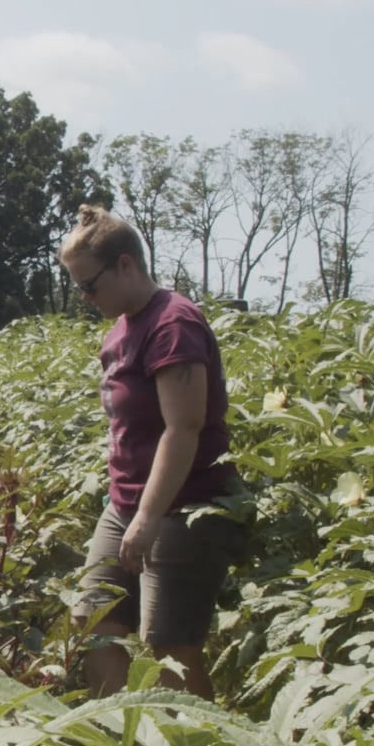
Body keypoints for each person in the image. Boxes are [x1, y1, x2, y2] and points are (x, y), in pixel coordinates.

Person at [58, 205, 247, 699]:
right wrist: (127, 504)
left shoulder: (172, 322)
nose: (85, 298)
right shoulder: (120, 330)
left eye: (89, 285)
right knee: (93, 622)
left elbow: (184, 428)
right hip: (125, 504)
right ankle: (121, 736)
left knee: (168, 648)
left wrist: (147, 516)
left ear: (126, 265)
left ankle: (197, 741)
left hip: (181, 506)